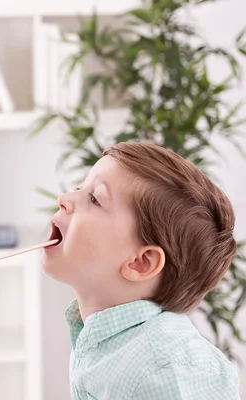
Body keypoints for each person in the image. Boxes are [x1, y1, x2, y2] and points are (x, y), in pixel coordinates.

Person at [42, 142, 240, 399]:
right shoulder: (101, 342)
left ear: (141, 263)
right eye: (81, 187)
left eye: (94, 199)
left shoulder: (167, 370)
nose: (65, 198)